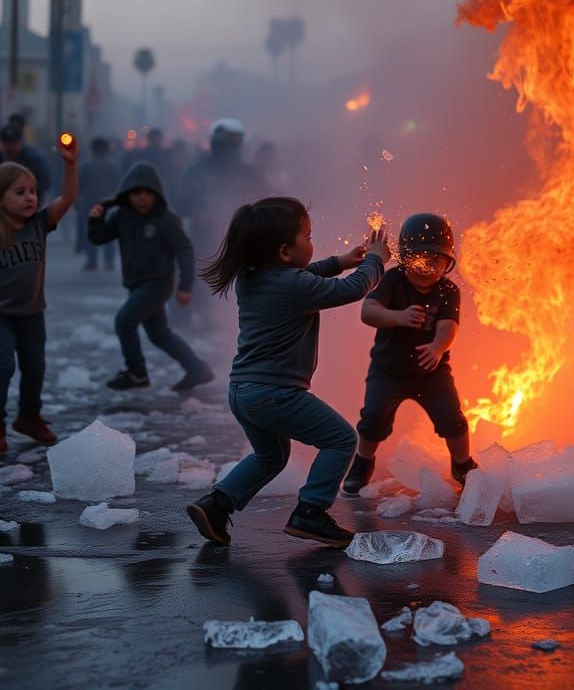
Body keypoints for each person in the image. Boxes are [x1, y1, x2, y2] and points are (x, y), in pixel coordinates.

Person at [186, 197, 389, 548]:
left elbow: (305, 274)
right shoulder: (294, 287)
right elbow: (352, 289)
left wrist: (341, 261)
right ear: (284, 252)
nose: (312, 243)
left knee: (271, 456)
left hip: (243, 391)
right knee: (340, 439)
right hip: (275, 393)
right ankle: (310, 512)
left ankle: (216, 505)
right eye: (307, 237)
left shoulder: (254, 278)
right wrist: (374, 261)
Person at [343, 213, 477, 496]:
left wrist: (438, 347)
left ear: (447, 261)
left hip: (432, 371)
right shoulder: (393, 281)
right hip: (387, 370)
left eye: (435, 261)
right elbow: (368, 312)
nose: (425, 268)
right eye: (418, 260)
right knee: (373, 417)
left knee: (452, 418)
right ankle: (363, 462)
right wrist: (398, 317)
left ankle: (462, 464)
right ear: (404, 258)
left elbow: (449, 326)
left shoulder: (447, 290)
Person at [87, 160, 214, 392]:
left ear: (157, 193)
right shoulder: (122, 216)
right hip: (136, 285)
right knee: (159, 335)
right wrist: (96, 218)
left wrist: (186, 285)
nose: (142, 198)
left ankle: (137, 372)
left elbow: (185, 250)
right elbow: (99, 238)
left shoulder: (166, 219)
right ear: (127, 194)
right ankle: (197, 369)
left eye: (148, 193)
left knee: (124, 320)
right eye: (136, 193)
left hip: (158, 284)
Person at [0, 135, 79, 452]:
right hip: (1, 315)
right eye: (20, 192)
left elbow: (69, 198)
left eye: (31, 191)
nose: (30, 198)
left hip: (33, 314)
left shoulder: (38, 223)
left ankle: (29, 417)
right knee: (3, 367)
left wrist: (70, 165)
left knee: (35, 367)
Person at [177, 119, 262, 329]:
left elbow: (263, 196)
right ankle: (197, 314)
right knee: (202, 274)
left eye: (230, 146)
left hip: (236, 232)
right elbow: (180, 200)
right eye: (223, 145)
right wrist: (196, 213)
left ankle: (231, 316)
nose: (227, 151)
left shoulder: (247, 172)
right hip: (204, 233)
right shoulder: (196, 170)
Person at [78, 137, 120, 271]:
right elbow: (117, 184)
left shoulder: (86, 165)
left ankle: (92, 261)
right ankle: (109, 262)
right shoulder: (113, 165)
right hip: (108, 204)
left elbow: (80, 185)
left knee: (91, 232)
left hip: (90, 204)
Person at [0, 123, 51, 204]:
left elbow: (44, 182)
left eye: (13, 143)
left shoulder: (33, 159)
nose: (10, 147)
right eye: (6, 143)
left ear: (20, 142)